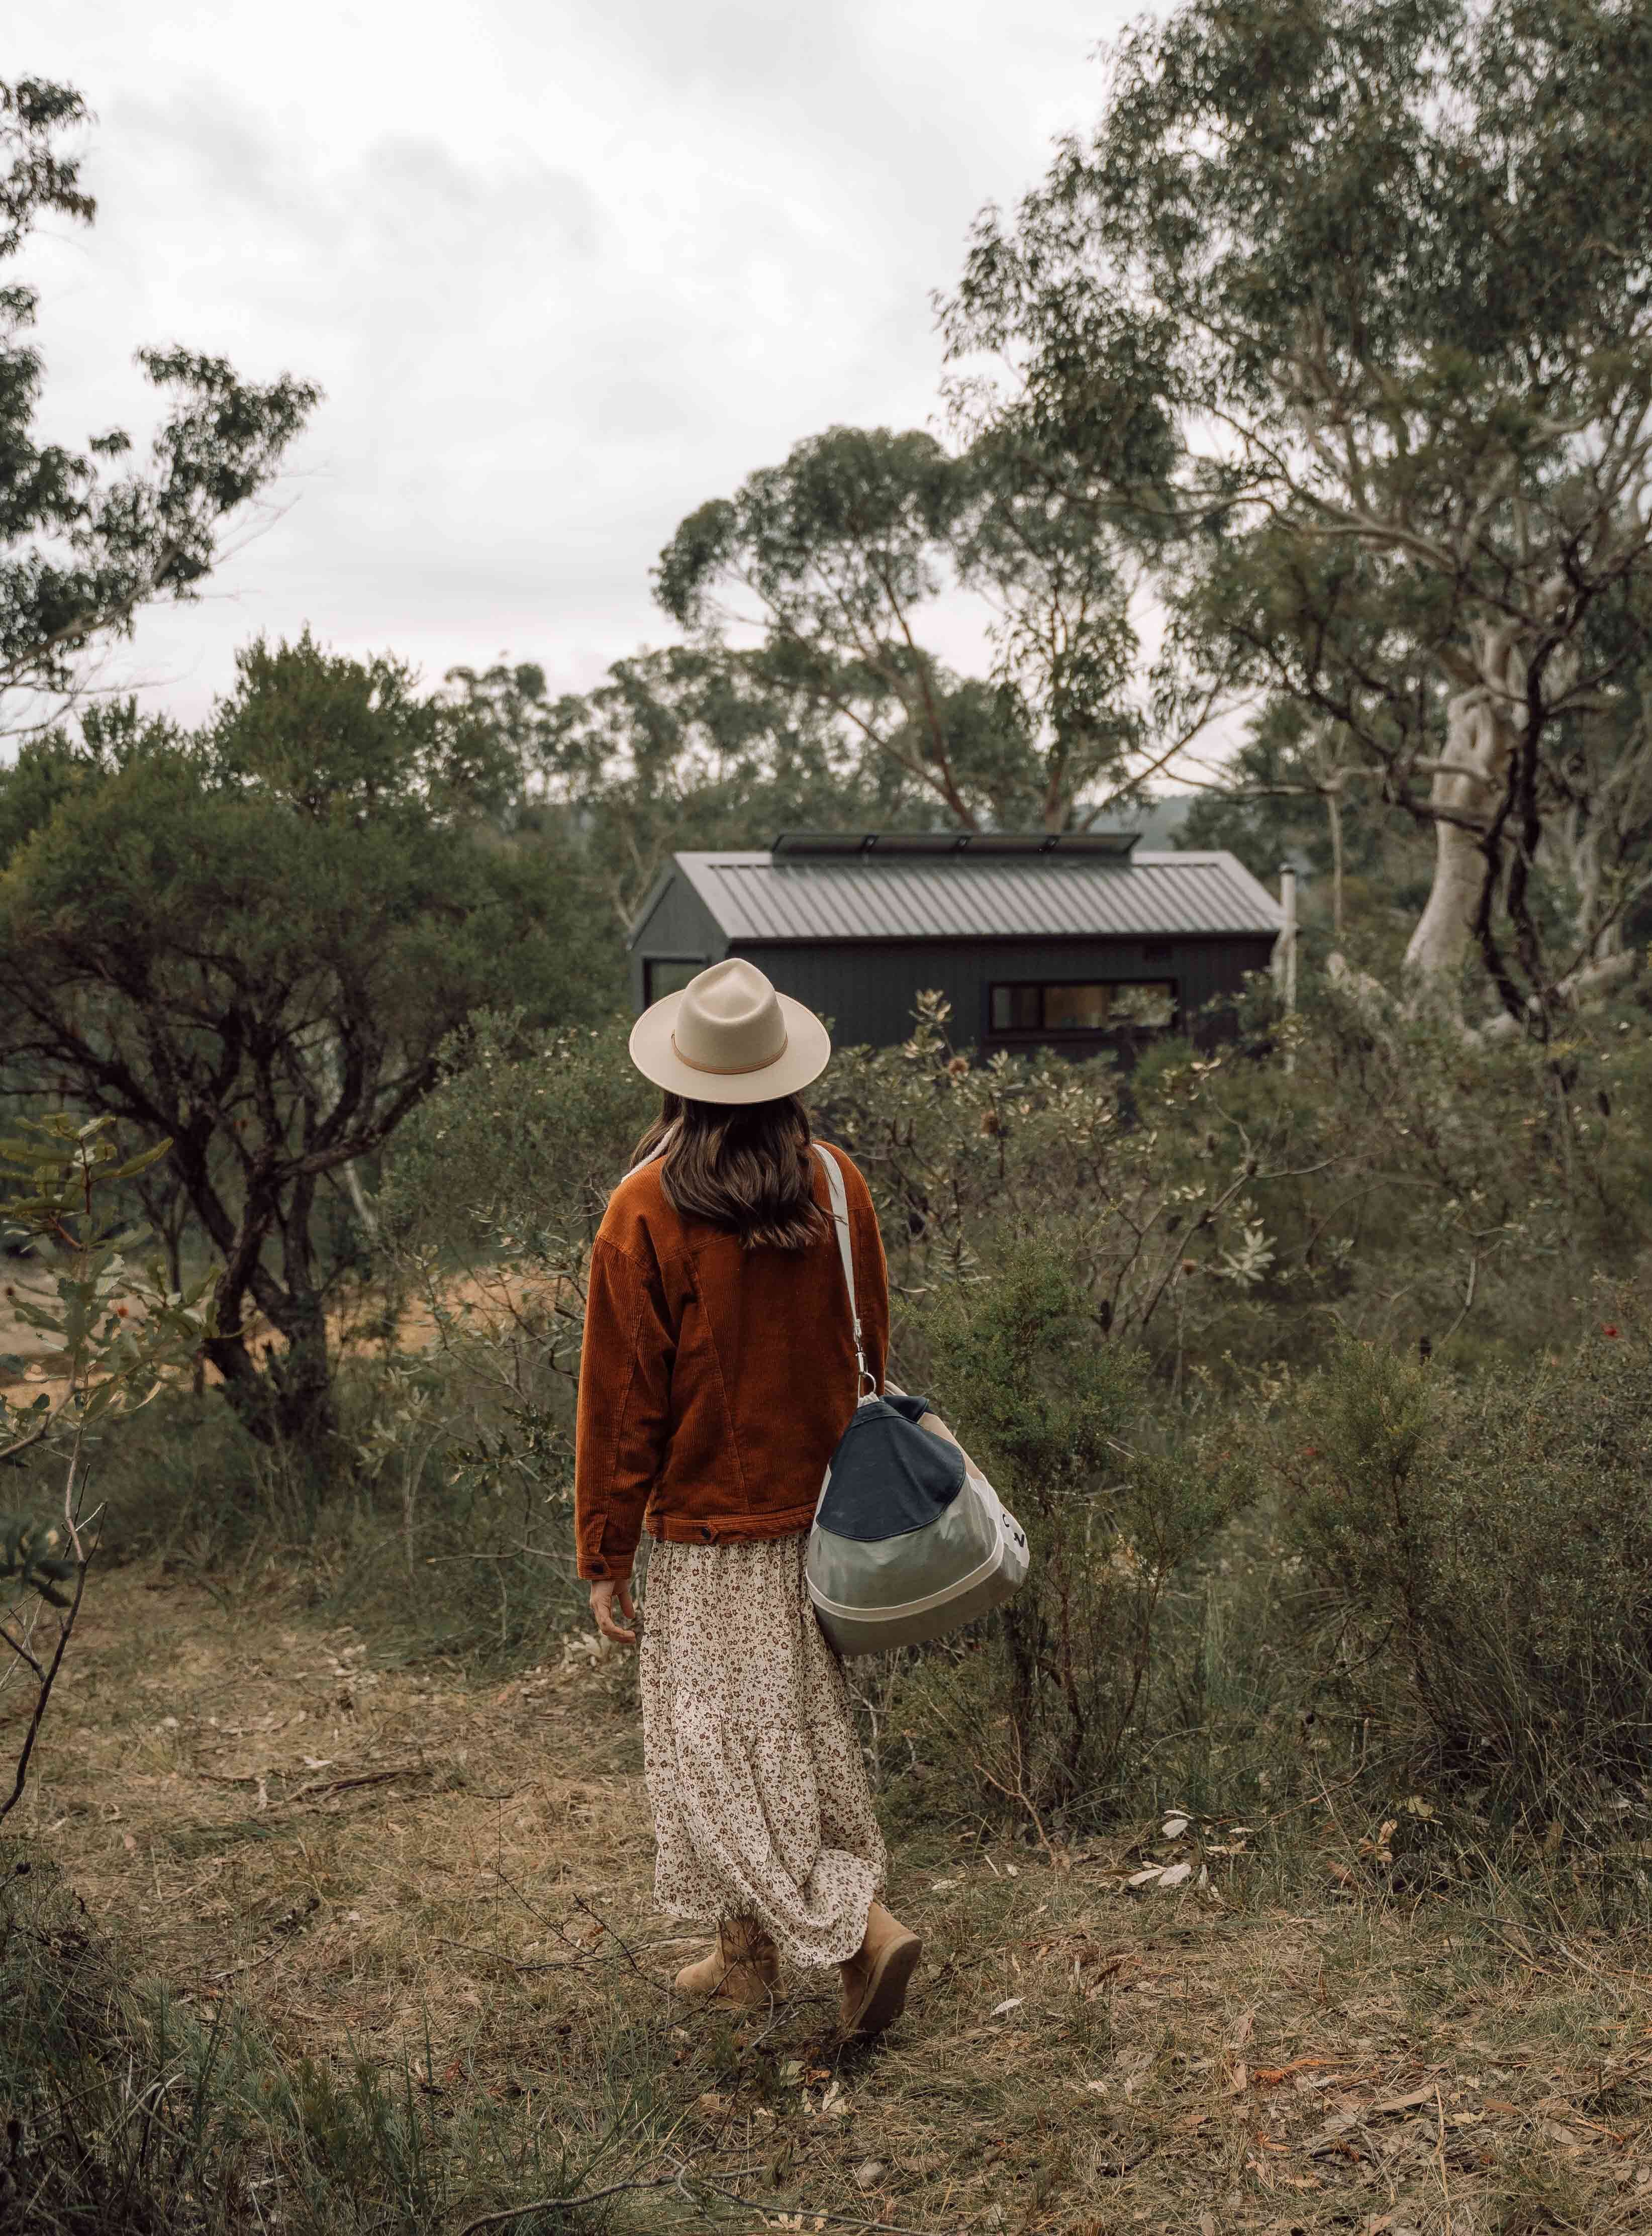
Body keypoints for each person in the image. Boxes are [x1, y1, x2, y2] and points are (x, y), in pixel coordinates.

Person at [573, 957, 922, 2038]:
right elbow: (872, 1344)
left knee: (713, 1757)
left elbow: (622, 1398)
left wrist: (604, 1548)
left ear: (680, 1078)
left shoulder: (646, 1207)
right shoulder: (834, 1180)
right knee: (789, 1737)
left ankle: (860, 1928)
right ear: (782, 1072)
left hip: (705, 1530)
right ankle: (745, 1958)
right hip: (822, 1519)